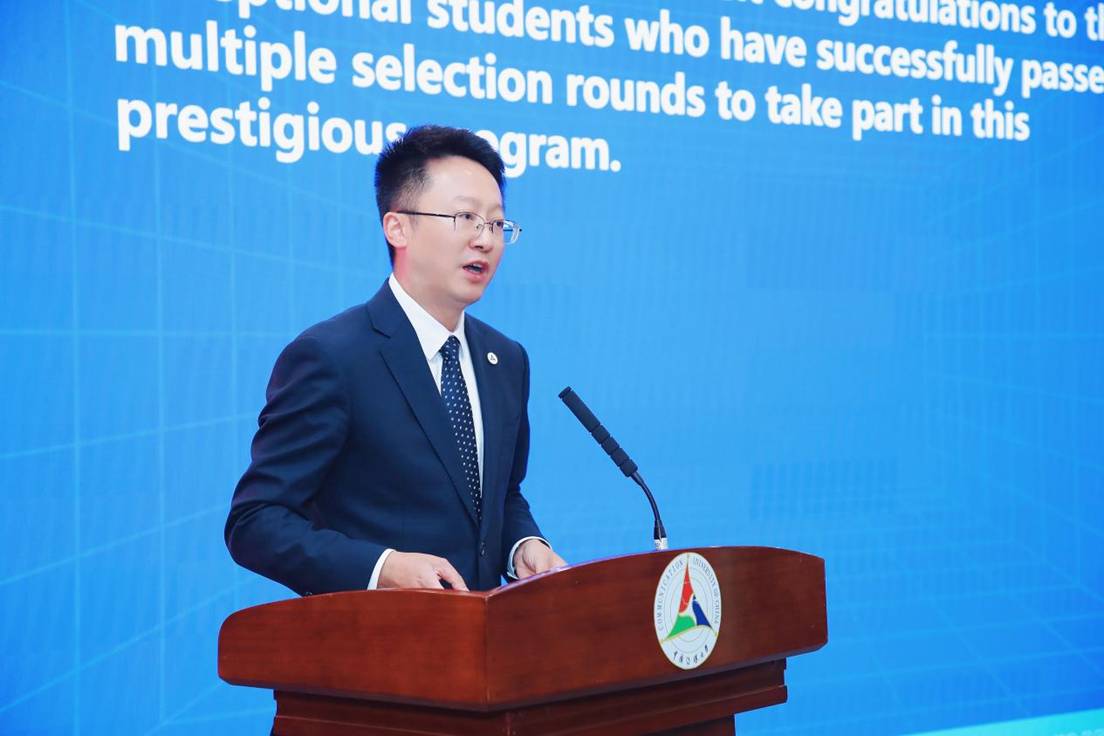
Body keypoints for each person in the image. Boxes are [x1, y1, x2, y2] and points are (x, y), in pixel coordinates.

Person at [225, 124, 565, 594]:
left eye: (495, 224)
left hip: (486, 634)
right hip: (378, 634)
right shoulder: (332, 357)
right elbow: (256, 521)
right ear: (397, 227)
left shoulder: (505, 359)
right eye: (465, 217)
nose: (485, 240)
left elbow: (498, 497)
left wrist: (522, 544)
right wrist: (381, 568)